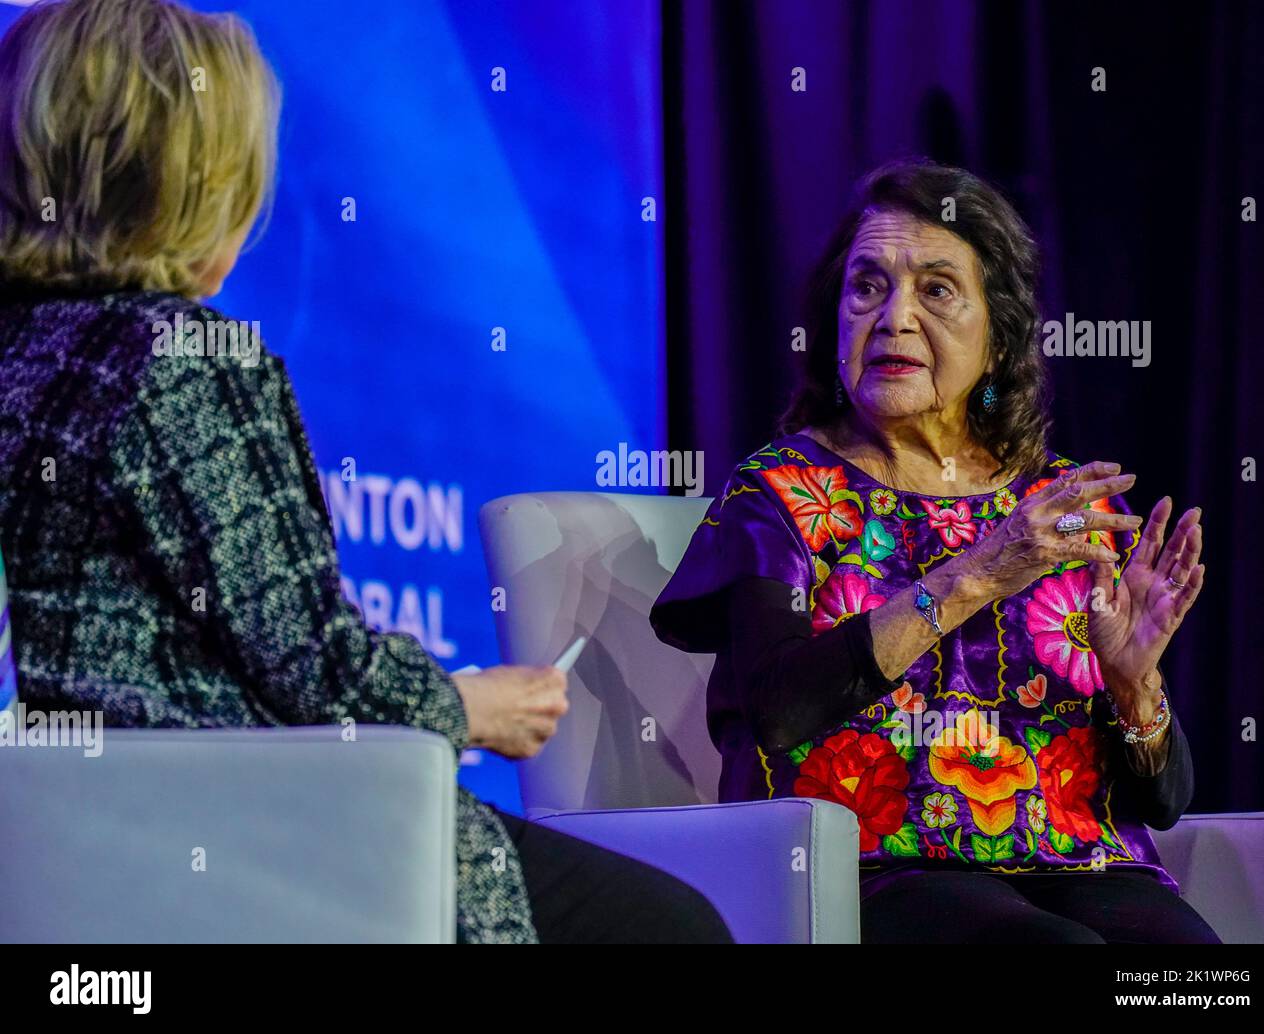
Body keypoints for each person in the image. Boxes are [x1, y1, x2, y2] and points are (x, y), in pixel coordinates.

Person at [0, 0, 730, 945]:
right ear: (198, 183)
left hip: (76, 863)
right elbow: (319, 673)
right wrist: (473, 706)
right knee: (673, 930)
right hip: (265, 843)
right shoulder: (186, 359)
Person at [651, 158, 1221, 943]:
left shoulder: (1065, 508)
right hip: (874, 871)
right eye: (867, 286)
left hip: (1087, 865)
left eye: (938, 289)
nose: (894, 317)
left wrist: (1134, 685)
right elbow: (779, 711)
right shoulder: (780, 494)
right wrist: (981, 571)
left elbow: (1165, 801)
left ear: (998, 335)